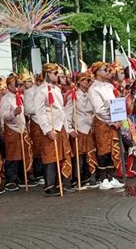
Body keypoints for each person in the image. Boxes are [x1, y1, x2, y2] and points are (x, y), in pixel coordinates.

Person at [34, 63, 74, 196]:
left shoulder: (56, 89)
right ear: (47, 74)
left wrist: (67, 129)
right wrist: (46, 129)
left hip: (60, 125)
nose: (57, 76)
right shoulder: (41, 90)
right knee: (50, 156)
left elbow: (62, 110)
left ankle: (59, 183)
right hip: (51, 126)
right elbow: (40, 112)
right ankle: (50, 185)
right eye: (55, 74)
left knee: (61, 155)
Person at [88, 61, 125, 190]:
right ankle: (103, 178)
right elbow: (99, 109)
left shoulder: (109, 86)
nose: (107, 72)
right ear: (97, 72)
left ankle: (112, 176)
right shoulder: (93, 89)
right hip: (102, 122)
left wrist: (119, 118)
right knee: (103, 150)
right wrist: (111, 120)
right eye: (105, 70)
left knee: (113, 149)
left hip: (114, 121)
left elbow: (115, 103)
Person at [64, 72, 99, 188]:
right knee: (79, 155)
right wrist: (69, 129)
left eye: (89, 80)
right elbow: (67, 113)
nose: (87, 82)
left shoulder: (91, 94)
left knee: (91, 153)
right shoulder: (73, 95)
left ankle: (92, 176)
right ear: (78, 82)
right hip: (79, 129)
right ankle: (78, 177)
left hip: (90, 128)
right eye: (84, 80)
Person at [0, 75, 33, 191]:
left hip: (22, 128)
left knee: (23, 153)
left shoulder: (21, 97)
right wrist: (13, 113)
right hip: (12, 129)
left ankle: (22, 176)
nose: (19, 87)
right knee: (12, 155)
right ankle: (11, 179)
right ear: (9, 86)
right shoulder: (6, 99)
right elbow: (3, 116)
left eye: (19, 84)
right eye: (16, 85)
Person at [22, 69, 44, 185]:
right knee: (37, 148)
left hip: (47, 122)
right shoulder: (30, 92)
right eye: (39, 80)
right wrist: (42, 109)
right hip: (36, 122)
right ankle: (38, 173)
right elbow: (28, 109)